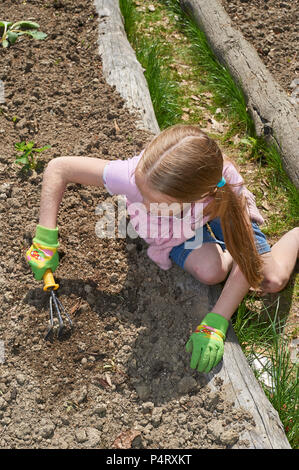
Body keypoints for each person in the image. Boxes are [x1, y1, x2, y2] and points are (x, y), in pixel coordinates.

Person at [25, 124, 299, 373]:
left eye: (153, 201)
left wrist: (217, 319)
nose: (142, 204)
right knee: (210, 272)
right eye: (141, 195)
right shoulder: (132, 176)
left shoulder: (226, 190)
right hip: (182, 229)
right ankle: (224, 253)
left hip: (216, 211)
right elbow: (59, 168)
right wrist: (45, 237)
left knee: (271, 279)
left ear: (199, 197)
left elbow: (246, 254)